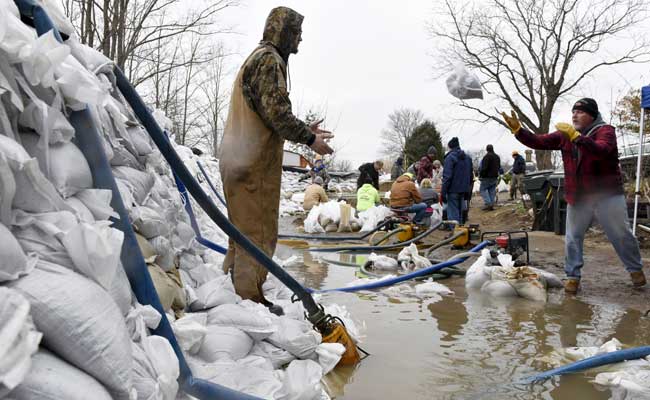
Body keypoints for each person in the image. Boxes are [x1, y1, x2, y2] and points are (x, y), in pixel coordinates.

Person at [219, 7, 334, 311]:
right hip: (250, 164)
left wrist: (303, 129)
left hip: (238, 159)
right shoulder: (269, 61)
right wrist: (311, 140)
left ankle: (233, 290)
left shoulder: (259, 59)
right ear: (283, 32)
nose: (300, 39)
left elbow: (267, 113)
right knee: (256, 234)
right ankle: (250, 303)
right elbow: (278, 113)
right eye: (296, 32)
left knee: (241, 232)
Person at [501, 98, 646, 293]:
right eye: (573, 112)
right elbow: (539, 141)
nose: (574, 115)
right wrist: (519, 130)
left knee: (621, 235)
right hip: (579, 196)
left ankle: (635, 270)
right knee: (572, 238)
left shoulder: (605, 131)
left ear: (592, 115)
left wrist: (576, 136)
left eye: (580, 112)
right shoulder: (565, 135)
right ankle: (573, 277)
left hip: (607, 195)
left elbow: (601, 151)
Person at [441, 137, 473, 225]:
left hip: (452, 189)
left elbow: (447, 177)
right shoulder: (468, 158)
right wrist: (468, 190)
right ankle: (461, 231)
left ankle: (455, 233)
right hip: (464, 189)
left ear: (450, 147)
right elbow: (471, 176)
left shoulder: (450, 158)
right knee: (461, 212)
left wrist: (443, 192)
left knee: (453, 213)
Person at [478, 144, 501, 211]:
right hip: (495, 176)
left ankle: (488, 204)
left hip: (487, 177)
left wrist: (481, 175)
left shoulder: (487, 156)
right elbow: (499, 166)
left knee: (482, 190)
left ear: (487, 149)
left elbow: (484, 168)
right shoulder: (497, 157)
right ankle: (491, 204)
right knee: (491, 191)